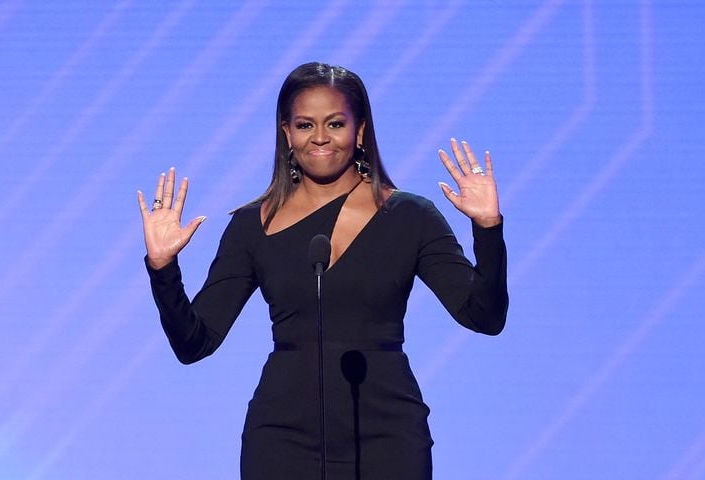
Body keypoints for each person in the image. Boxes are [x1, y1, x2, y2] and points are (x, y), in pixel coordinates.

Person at [136, 62, 508, 480]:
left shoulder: (410, 217)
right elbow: (194, 343)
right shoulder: (251, 226)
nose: (319, 137)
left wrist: (488, 229)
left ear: (361, 131)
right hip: (281, 442)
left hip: (388, 439)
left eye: (334, 123)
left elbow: (485, 316)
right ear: (286, 133)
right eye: (304, 124)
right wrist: (163, 267)